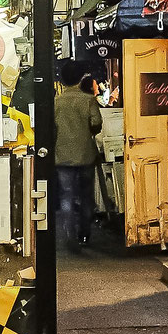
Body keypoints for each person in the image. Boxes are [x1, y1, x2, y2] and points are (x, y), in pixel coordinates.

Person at [53, 61, 102, 251]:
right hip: (86, 155)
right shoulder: (88, 100)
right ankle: (84, 234)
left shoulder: (57, 102)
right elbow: (96, 122)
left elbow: (51, 129)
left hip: (63, 155)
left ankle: (69, 234)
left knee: (66, 195)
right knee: (86, 195)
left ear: (63, 80)